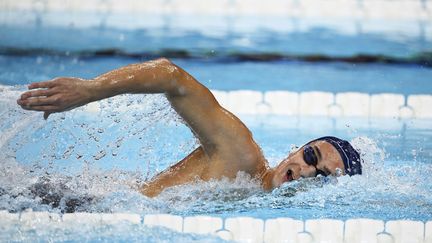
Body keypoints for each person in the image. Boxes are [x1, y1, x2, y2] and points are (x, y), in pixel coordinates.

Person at [17, 58, 362, 197]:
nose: (305, 171)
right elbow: (171, 76)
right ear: (297, 148)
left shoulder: (254, 196)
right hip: (77, 201)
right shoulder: (240, 156)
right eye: (311, 155)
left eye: (322, 176)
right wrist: (89, 90)